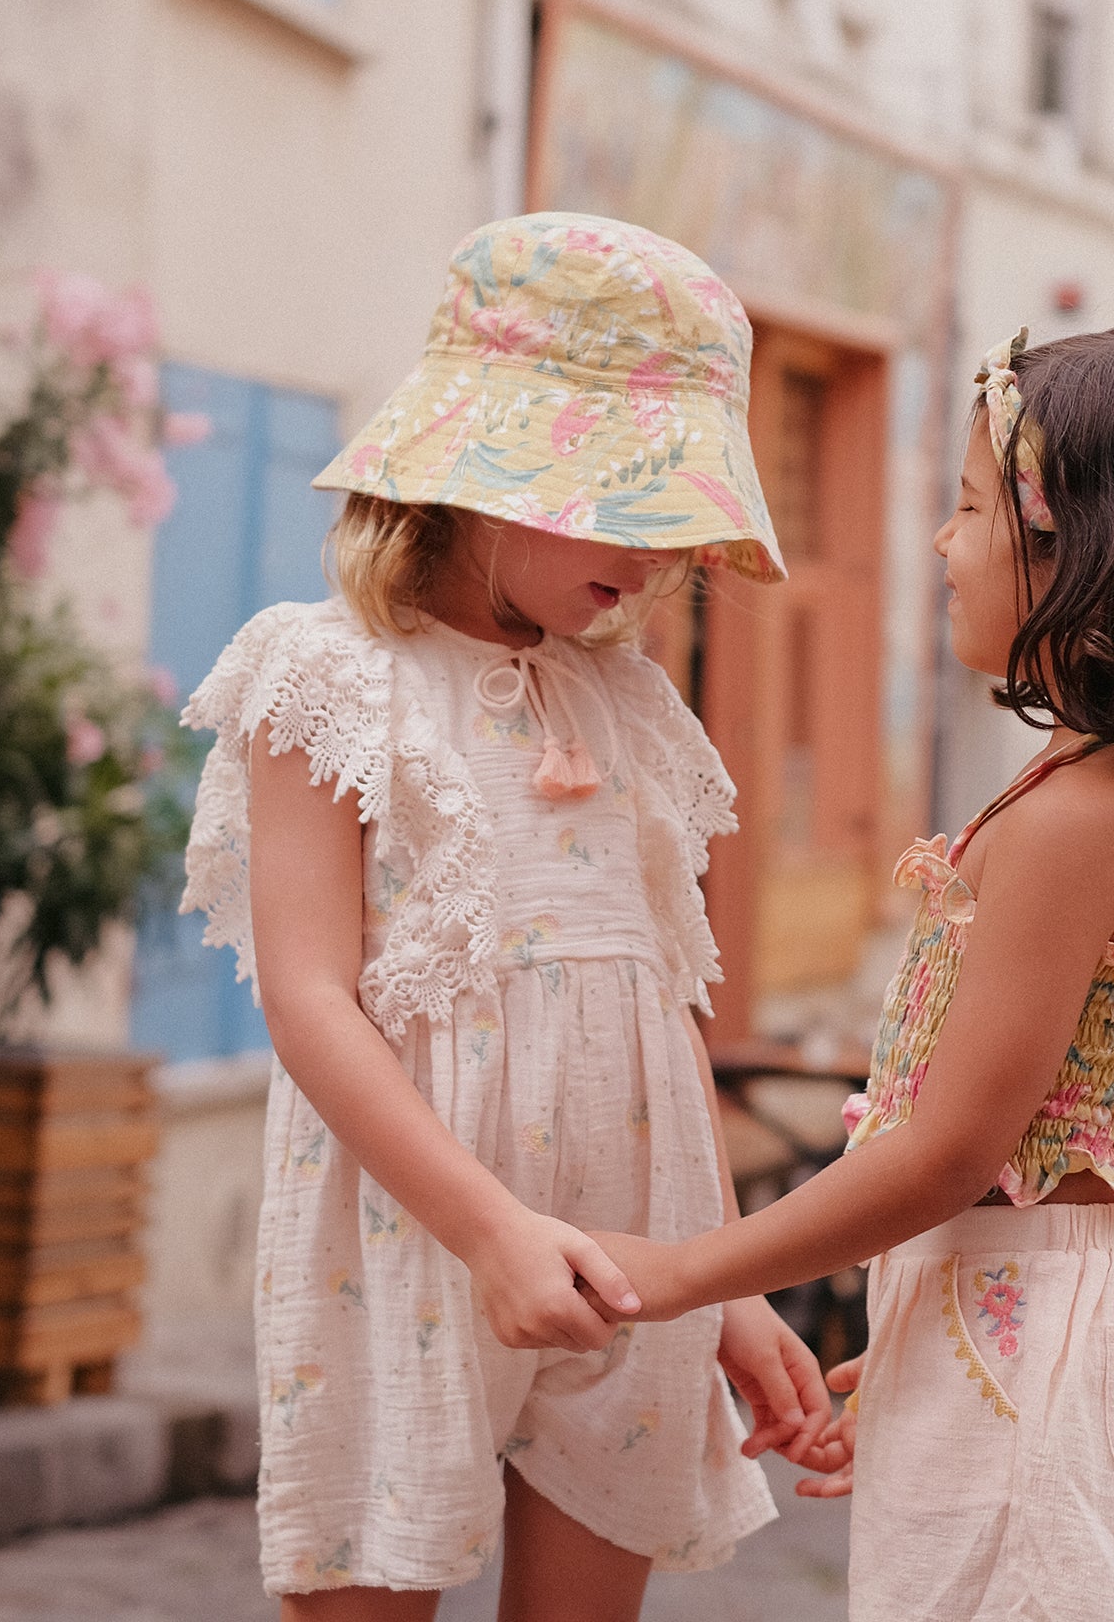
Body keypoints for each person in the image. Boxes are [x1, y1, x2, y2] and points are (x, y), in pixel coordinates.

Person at [179, 212, 831, 1620]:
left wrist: (724, 1282)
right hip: (410, 1236)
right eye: (630, 499)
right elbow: (307, 1000)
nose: (663, 556)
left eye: (684, 515)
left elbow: (665, 1003)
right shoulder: (326, 676)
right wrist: (488, 1230)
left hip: (640, 1248)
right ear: (490, 465)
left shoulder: (633, 706)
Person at [585, 325, 1114, 1619]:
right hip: (1013, 1315)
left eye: (970, 508)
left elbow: (948, 1151)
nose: (939, 544)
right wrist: (940, 1316)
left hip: (1037, 1326)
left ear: (1072, 556)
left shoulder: (1072, 822)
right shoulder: (1066, 794)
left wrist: (683, 1273)